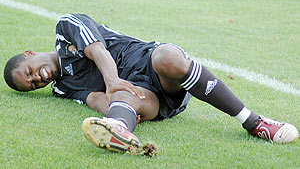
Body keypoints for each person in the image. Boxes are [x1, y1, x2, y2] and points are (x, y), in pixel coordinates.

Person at [4, 14, 299, 157]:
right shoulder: (61, 88)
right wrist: (118, 108)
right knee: (118, 99)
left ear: (30, 54)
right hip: (144, 98)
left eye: (29, 73)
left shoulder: (65, 28)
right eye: (31, 85)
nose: (36, 79)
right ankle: (119, 130)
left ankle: (254, 122)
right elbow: (93, 98)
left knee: (169, 57)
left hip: (152, 65)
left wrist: (112, 82)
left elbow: (98, 51)